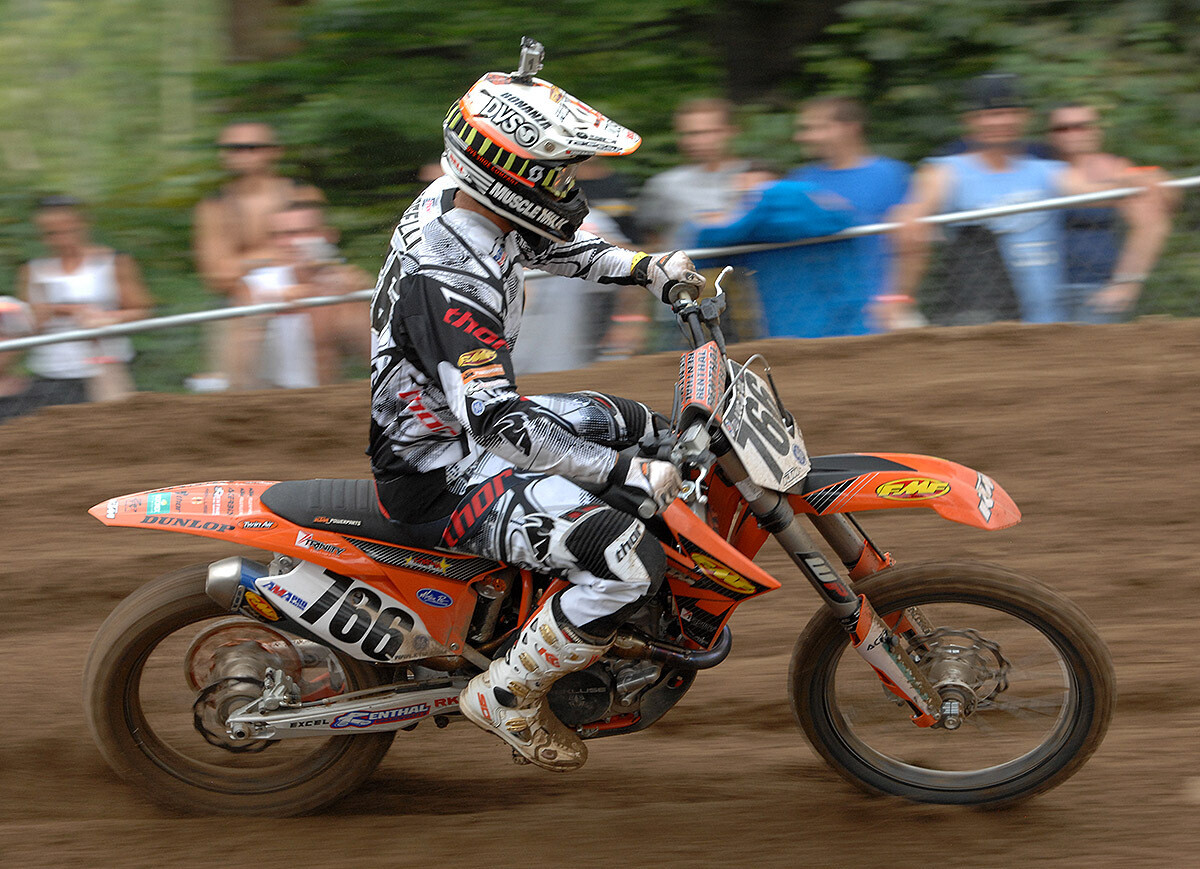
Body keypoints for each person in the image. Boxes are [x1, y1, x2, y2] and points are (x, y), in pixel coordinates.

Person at [368, 40, 703, 772]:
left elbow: (550, 242)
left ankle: (589, 625)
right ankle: (508, 693)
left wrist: (648, 268)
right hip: (443, 470)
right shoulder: (448, 278)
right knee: (623, 556)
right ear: (508, 173)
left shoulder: (462, 203)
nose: (568, 184)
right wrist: (620, 475)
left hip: (467, 431)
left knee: (643, 424)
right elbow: (499, 421)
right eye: (558, 170)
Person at [887, 73, 1165, 329]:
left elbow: (1096, 192)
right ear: (970, 121)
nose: (999, 122)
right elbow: (918, 208)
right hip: (984, 323)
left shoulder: (1045, 170)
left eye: (1009, 113)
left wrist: (1138, 178)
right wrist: (910, 214)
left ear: (1024, 117)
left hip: (1047, 324)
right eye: (989, 114)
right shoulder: (946, 171)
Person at [193, 122, 322, 390]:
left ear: (274, 151)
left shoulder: (302, 194)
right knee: (246, 304)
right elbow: (216, 276)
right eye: (232, 149)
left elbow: (317, 254)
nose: (241, 154)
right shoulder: (214, 207)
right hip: (244, 301)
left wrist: (246, 260)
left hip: (305, 289)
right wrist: (272, 257)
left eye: (251, 147)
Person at [684, 164, 863, 337]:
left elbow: (772, 207)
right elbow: (704, 257)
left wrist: (711, 225)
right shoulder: (750, 238)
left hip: (833, 321)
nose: (753, 202)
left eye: (757, 193)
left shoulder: (778, 205)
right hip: (787, 329)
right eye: (744, 197)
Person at [635, 97, 756, 344]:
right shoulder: (664, 186)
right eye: (689, 134)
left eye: (707, 132)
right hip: (676, 307)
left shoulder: (753, 177)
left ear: (730, 131)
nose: (697, 141)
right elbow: (647, 239)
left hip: (744, 304)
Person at [1047, 102, 1175, 323]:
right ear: (1051, 135)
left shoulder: (1115, 166)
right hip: (1043, 291)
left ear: (1096, 131)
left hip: (1095, 291)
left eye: (1081, 126)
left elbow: (1157, 214)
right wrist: (1122, 187)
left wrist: (1127, 284)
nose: (1072, 133)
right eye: (1063, 128)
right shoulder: (1042, 168)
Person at [18, 196, 151, 404]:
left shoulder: (114, 262)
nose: (61, 239)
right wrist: (63, 311)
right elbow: (28, 322)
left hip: (106, 366)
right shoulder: (33, 270)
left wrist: (108, 319)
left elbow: (142, 311)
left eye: (68, 230)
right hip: (52, 372)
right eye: (51, 233)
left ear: (82, 224)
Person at [789, 97, 911, 306]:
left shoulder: (890, 174)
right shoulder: (798, 180)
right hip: (819, 306)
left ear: (850, 128)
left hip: (878, 305)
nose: (802, 137)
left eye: (814, 128)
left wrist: (895, 299)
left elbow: (909, 245)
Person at [237, 200, 371, 388]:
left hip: (329, 399)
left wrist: (356, 303)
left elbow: (372, 357)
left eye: (304, 232)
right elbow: (240, 370)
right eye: (282, 235)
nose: (293, 243)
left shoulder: (345, 283)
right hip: (275, 400)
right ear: (272, 242)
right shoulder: (257, 285)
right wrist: (270, 307)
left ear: (327, 236)